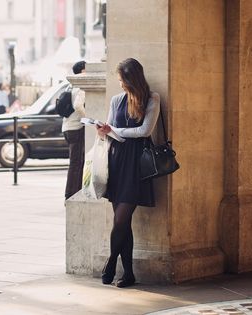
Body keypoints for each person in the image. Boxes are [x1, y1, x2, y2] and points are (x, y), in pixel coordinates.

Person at [96, 58, 160, 288]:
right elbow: (114, 133)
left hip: (137, 164)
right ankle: (129, 274)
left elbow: (145, 131)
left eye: (123, 80)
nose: (120, 84)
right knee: (123, 223)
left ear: (133, 79)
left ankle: (111, 261)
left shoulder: (152, 98)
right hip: (118, 161)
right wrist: (105, 132)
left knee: (121, 219)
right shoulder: (116, 100)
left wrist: (115, 130)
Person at [63, 60, 86, 200]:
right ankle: (71, 194)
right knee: (77, 164)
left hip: (67, 127)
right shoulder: (81, 86)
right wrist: (88, 117)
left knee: (75, 163)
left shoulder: (70, 86)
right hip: (76, 128)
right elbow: (78, 105)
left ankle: (71, 194)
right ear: (82, 72)